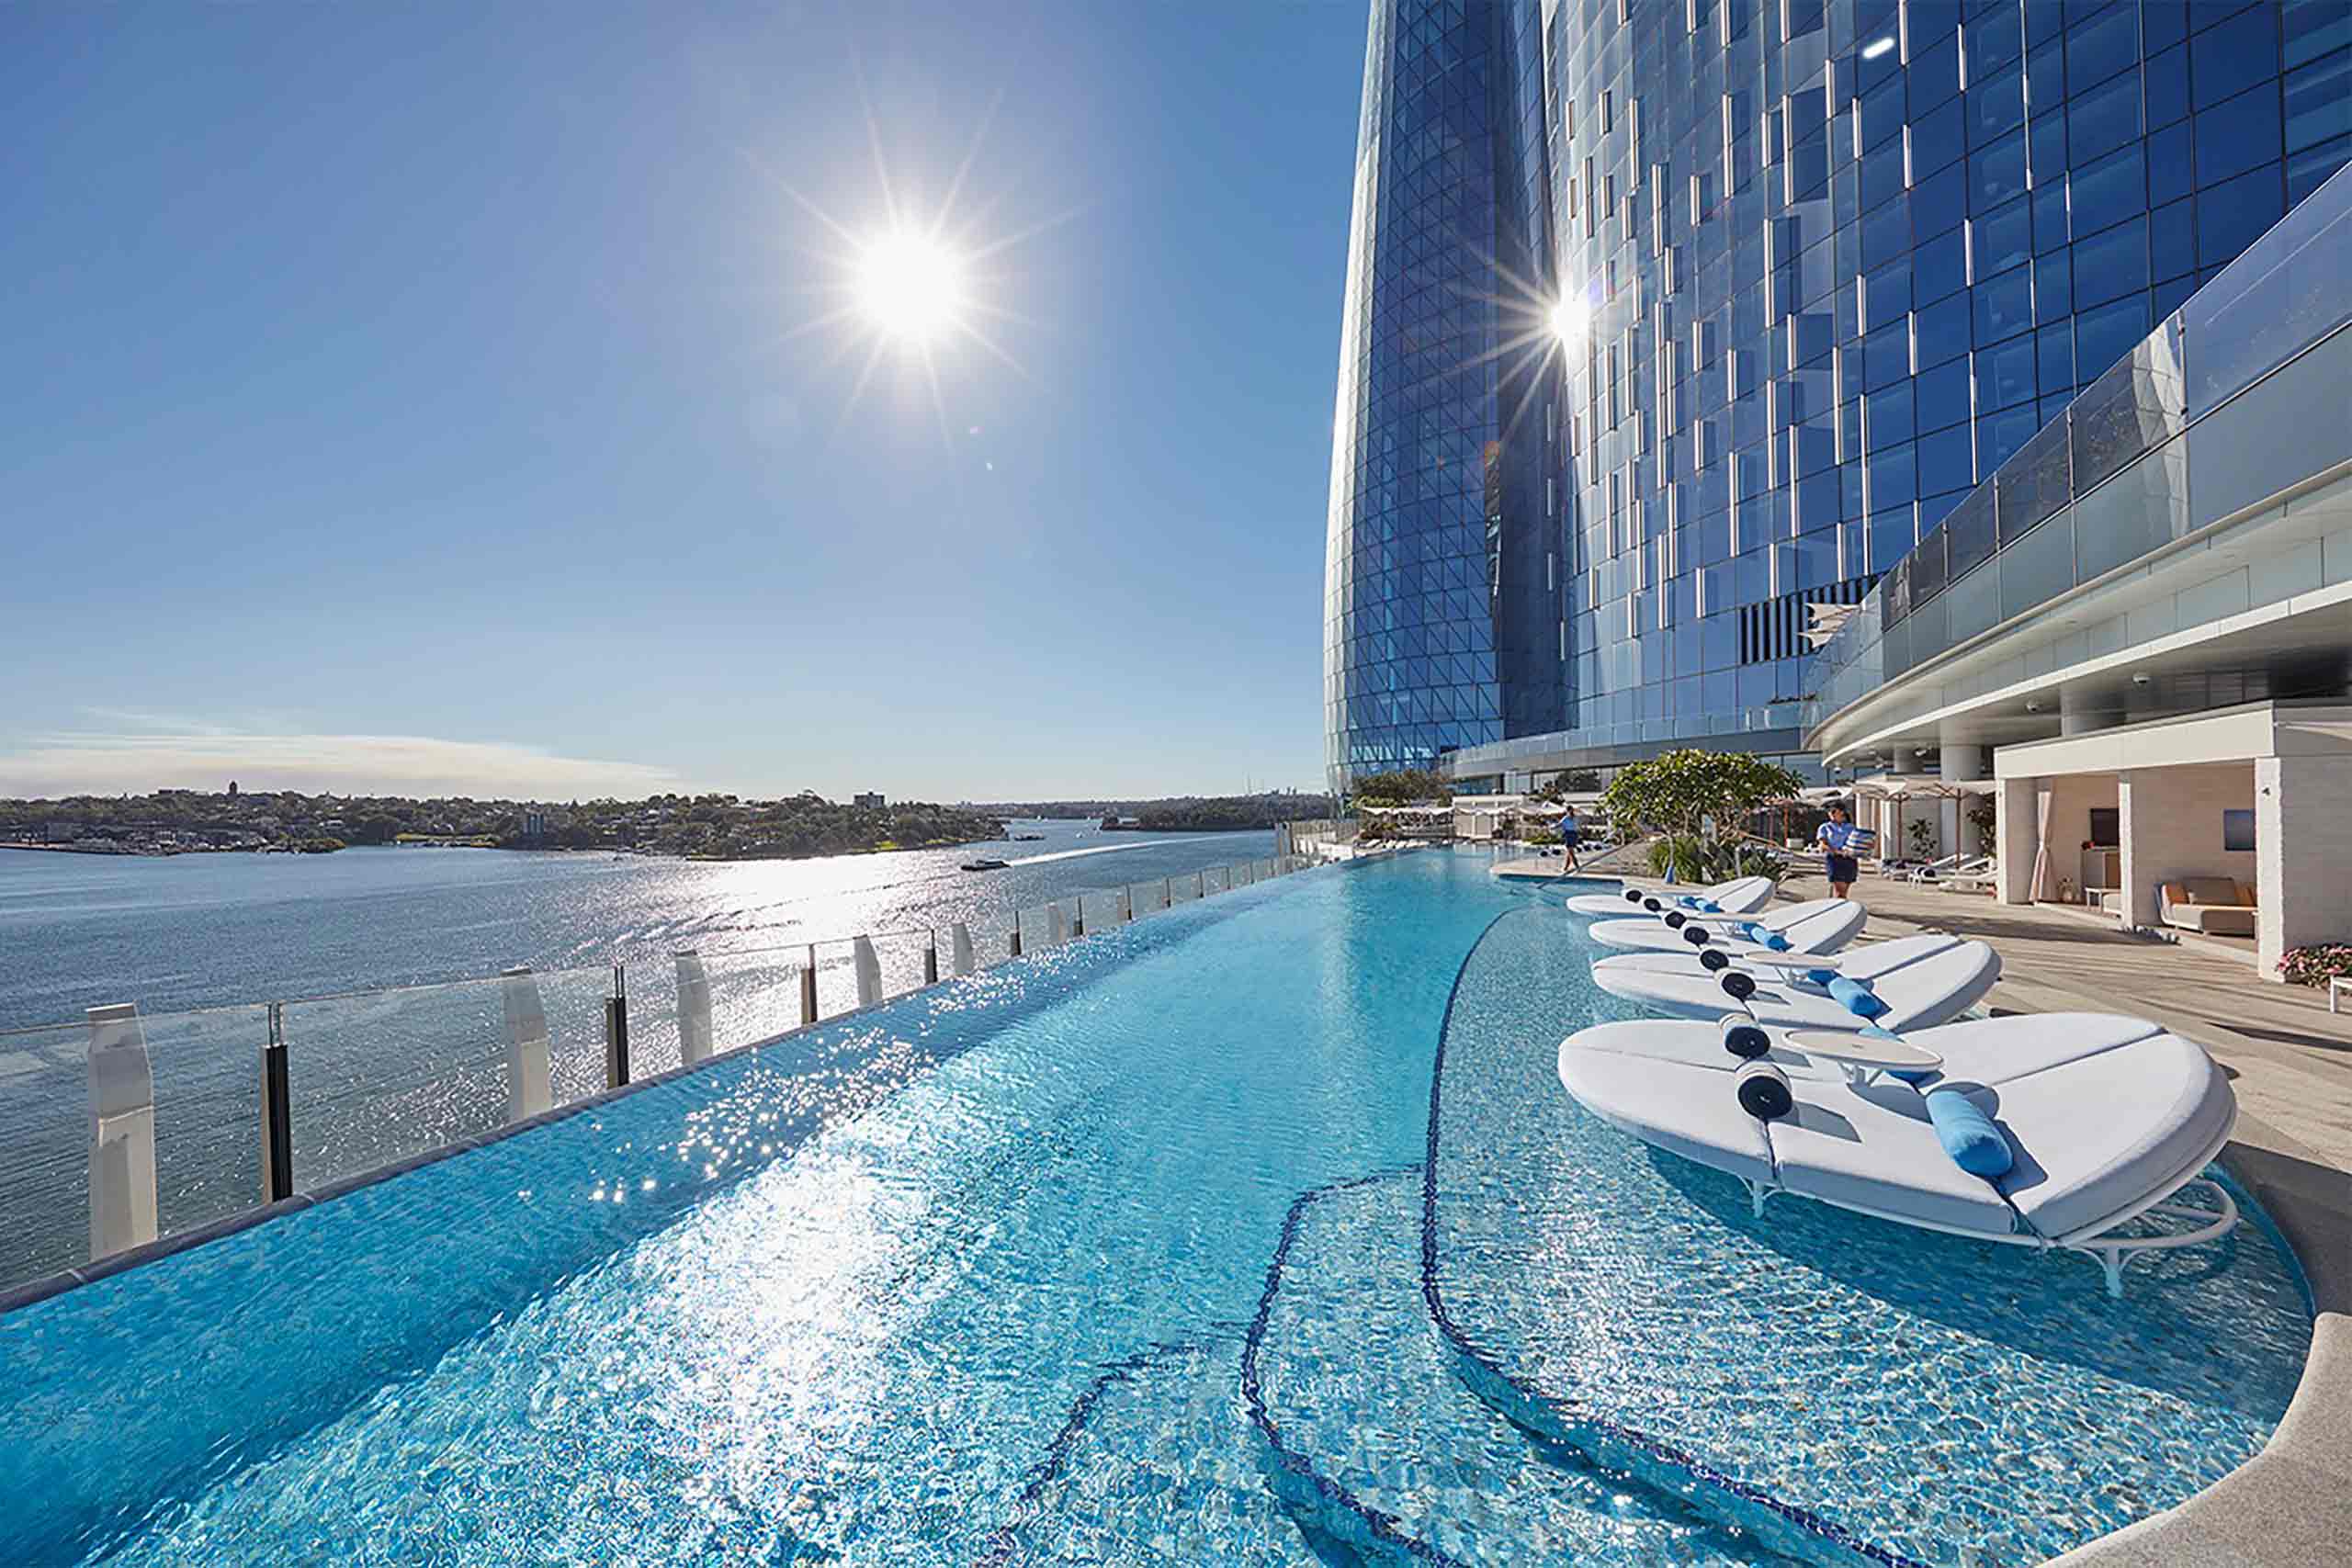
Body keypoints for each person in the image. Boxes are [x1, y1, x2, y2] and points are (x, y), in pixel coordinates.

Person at [1815, 803, 1869, 898]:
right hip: (1834, 860)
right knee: (1840, 892)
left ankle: (1838, 907)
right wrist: (1836, 851)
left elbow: (1856, 842)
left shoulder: (1851, 827)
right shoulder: (1825, 827)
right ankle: (1839, 910)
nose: (1831, 814)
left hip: (1849, 860)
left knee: (1844, 892)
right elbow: (1823, 844)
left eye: (1834, 811)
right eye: (1830, 812)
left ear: (1841, 812)